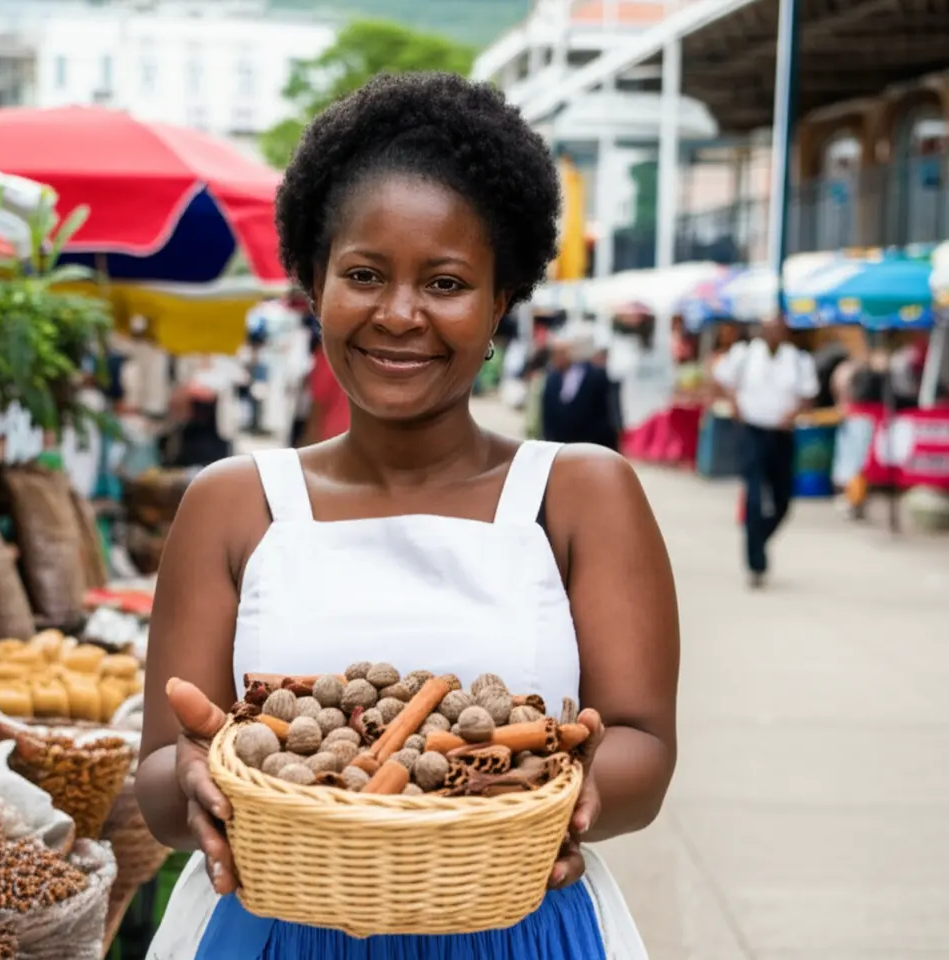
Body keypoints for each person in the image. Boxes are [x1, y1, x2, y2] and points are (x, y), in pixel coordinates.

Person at [138, 72, 678, 959]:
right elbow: (161, 772)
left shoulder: (578, 492)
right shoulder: (233, 503)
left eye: (446, 282)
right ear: (313, 283)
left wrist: (564, 797)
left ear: (501, 300)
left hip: (516, 924)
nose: (399, 314)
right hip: (271, 927)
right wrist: (194, 784)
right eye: (363, 274)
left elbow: (644, 744)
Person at [714, 314, 818, 587]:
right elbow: (723, 378)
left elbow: (808, 394)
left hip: (781, 435)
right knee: (755, 496)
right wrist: (734, 402)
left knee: (783, 501)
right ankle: (756, 561)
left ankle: (757, 539)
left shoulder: (797, 359)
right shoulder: (745, 354)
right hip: (752, 432)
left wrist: (793, 413)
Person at [542, 328, 621, 450]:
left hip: (591, 445)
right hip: (559, 446)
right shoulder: (552, 378)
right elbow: (547, 414)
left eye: (561, 352)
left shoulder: (596, 375)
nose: (556, 357)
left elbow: (607, 413)